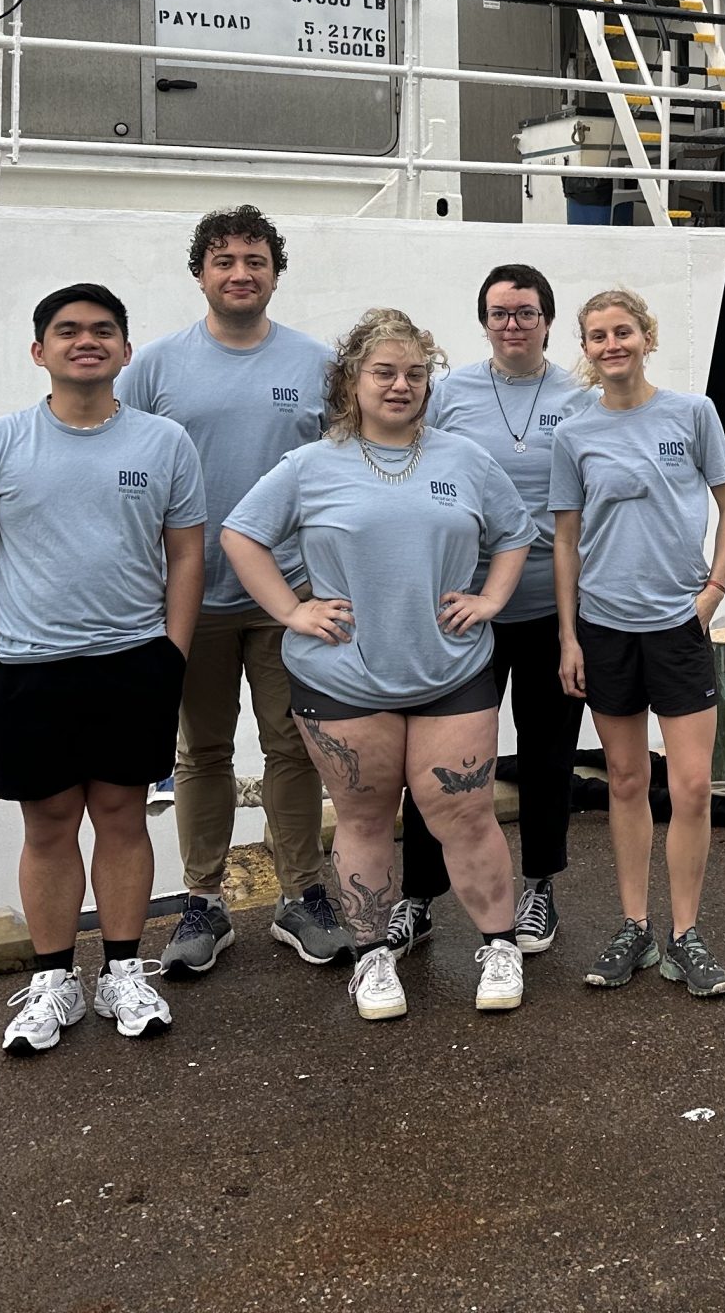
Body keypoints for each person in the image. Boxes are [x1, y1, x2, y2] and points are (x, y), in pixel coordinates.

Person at [222, 309, 536, 1023]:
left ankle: (500, 943)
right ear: (352, 381)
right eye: (384, 372)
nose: (401, 386)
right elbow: (242, 534)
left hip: (450, 669)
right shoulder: (311, 465)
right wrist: (291, 611)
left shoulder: (463, 458)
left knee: (465, 812)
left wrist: (490, 597)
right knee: (364, 817)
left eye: (416, 374)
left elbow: (516, 532)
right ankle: (372, 958)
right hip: (343, 678)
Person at [0, 284, 205, 1057]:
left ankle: (123, 970)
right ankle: (54, 979)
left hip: (134, 663)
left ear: (126, 351)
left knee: (124, 819)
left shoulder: (164, 444)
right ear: (40, 352)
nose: (84, 341)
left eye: (102, 331)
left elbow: (187, 551)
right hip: (28, 668)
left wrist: (172, 653)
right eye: (67, 332)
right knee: (49, 826)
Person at [122, 205, 347, 976]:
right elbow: (129, 475)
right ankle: (203, 901)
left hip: (294, 595)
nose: (240, 274)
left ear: (275, 273)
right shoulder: (153, 368)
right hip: (193, 596)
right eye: (225, 262)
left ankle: (301, 894)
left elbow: (344, 476)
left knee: (294, 747)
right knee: (201, 752)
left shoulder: (318, 366)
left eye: (255, 260)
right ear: (200, 274)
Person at [393, 264, 593, 960]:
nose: (513, 324)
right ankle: (416, 898)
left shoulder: (580, 394)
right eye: (501, 313)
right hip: (461, 611)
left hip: (552, 609)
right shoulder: (448, 396)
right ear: (484, 321)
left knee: (547, 755)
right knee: (439, 763)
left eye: (527, 312)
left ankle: (539, 886)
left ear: (547, 320)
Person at [552, 288, 725, 998]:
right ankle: (633, 927)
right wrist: (569, 635)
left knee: (691, 786)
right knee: (627, 781)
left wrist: (712, 593)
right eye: (598, 335)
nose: (612, 345)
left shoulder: (692, 414)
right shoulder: (574, 434)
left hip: (677, 627)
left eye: (623, 331)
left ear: (646, 335)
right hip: (605, 628)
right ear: (587, 347)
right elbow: (565, 540)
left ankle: (685, 935)